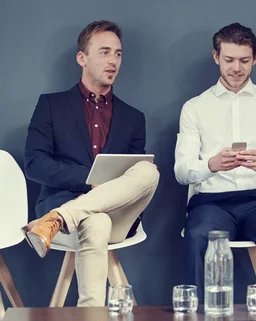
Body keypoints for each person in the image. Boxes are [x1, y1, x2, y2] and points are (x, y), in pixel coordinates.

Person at [22, 20, 159, 306]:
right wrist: (88, 179)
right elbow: (35, 163)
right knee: (95, 223)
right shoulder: (51, 105)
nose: (113, 61)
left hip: (117, 214)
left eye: (118, 54)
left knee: (148, 170)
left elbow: (132, 181)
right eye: (105, 52)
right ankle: (91, 315)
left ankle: (57, 219)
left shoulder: (134, 118)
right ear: (82, 58)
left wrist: (102, 190)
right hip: (65, 201)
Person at [174, 22, 256, 303]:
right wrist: (211, 165)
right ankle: (198, 314)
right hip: (211, 202)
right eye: (229, 59)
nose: (236, 68)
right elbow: (182, 171)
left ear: (255, 59)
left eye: (244, 60)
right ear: (216, 57)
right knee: (196, 235)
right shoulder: (195, 107)